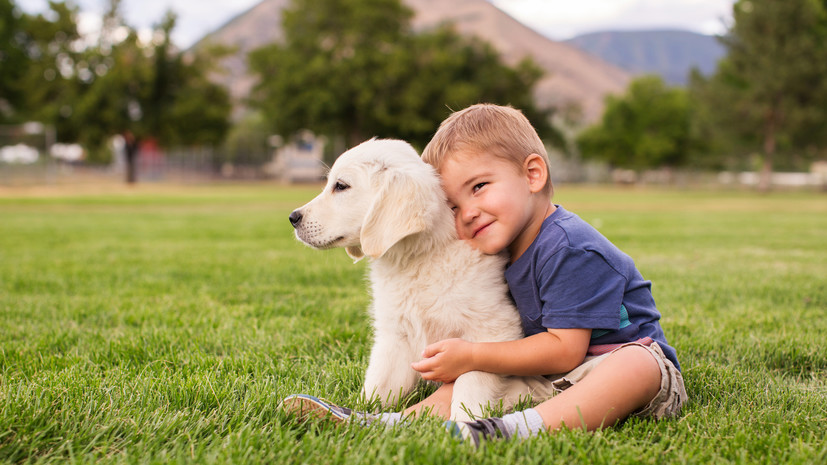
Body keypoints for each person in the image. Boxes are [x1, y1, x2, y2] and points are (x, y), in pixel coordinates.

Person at [282, 104, 687, 446]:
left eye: (479, 187)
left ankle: (509, 430)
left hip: (613, 364)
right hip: (547, 375)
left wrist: (474, 354)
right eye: (454, 205)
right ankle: (388, 422)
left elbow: (566, 350)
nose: (468, 212)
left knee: (635, 365)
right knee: (461, 385)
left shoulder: (570, 247)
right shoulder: (500, 243)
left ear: (533, 175)